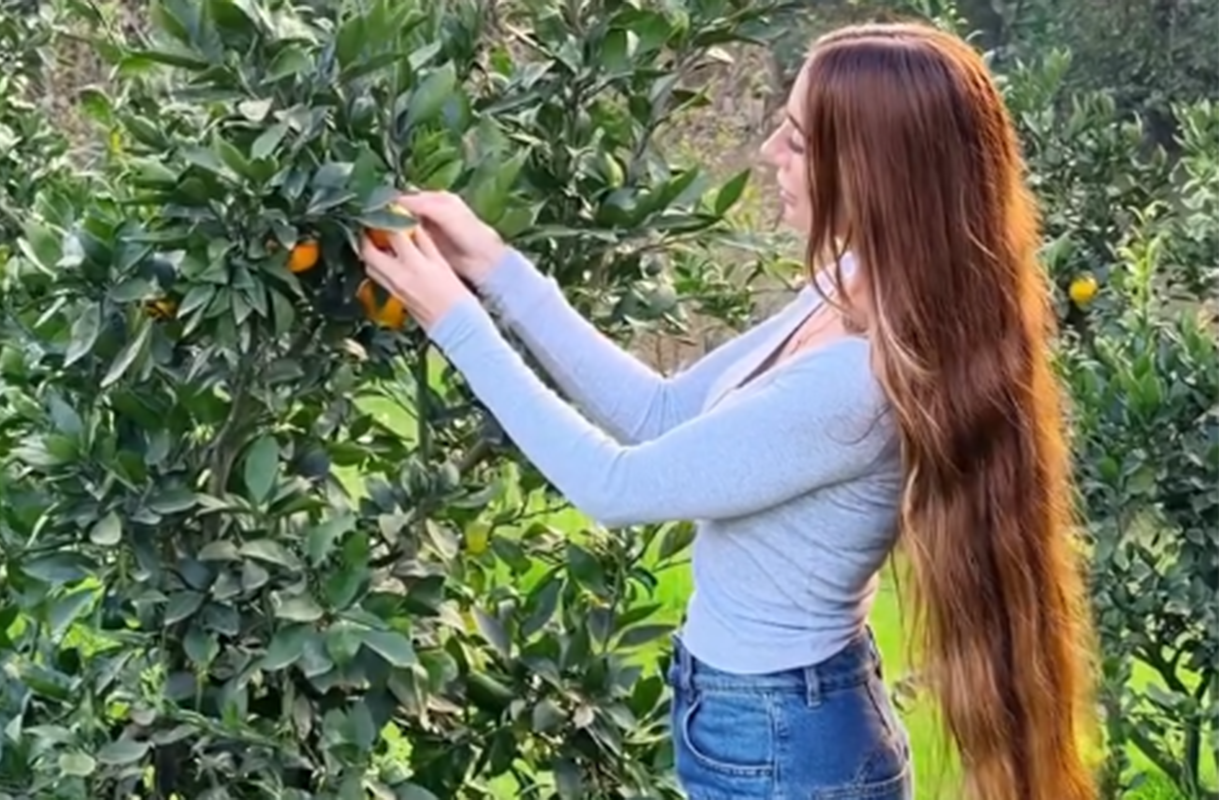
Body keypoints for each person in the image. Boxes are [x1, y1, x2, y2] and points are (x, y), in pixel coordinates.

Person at [359, 20, 1099, 800]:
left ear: (875, 174)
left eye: (799, 142)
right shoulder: (851, 287)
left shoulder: (858, 383)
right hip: (764, 723)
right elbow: (663, 412)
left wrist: (453, 319)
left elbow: (614, 486)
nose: (769, 153)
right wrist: (491, 265)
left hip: (785, 746)